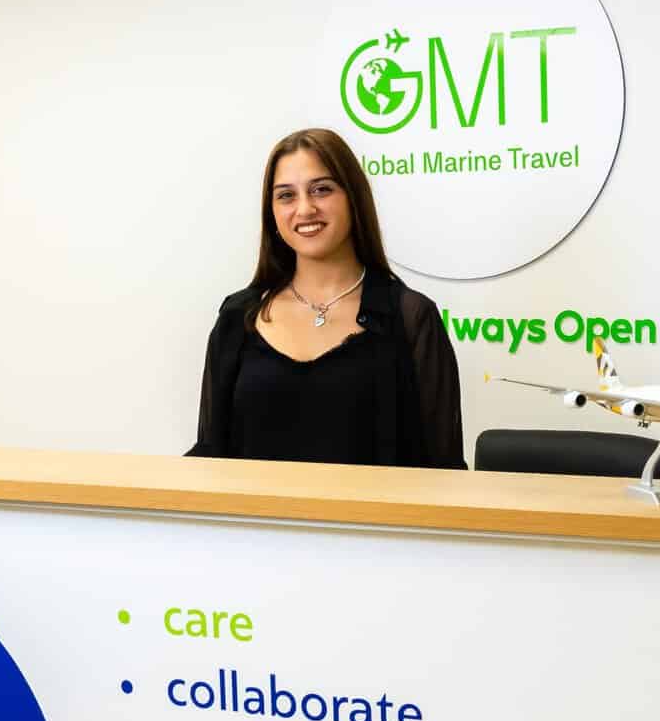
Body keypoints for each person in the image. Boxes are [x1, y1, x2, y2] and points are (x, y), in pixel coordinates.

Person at [186, 128, 466, 468]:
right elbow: (210, 456)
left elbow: (444, 470)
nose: (305, 209)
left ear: (353, 198)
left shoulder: (410, 317)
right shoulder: (238, 316)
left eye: (321, 189)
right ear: (271, 212)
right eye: (286, 196)